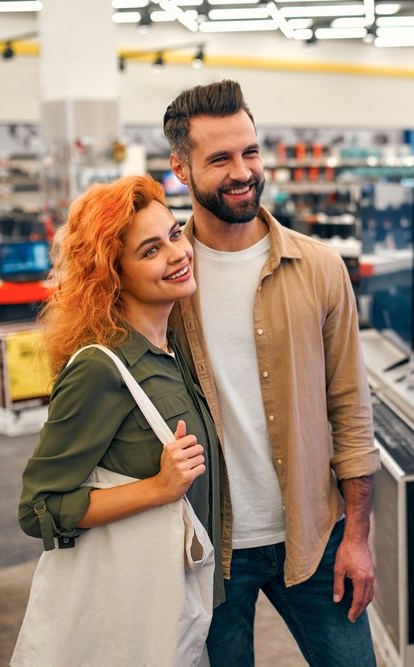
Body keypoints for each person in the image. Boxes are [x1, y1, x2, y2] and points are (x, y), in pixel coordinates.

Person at [162, 79, 380, 666]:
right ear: (181, 169)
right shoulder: (162, 280)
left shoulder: (319, 268)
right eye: (220, 159)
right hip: (208, 547)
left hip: (314, 538)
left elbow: (351, 413)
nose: (242, 171)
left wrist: (357, 537)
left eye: (250, 152)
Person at [18, 174, 230, 611]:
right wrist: (158, 487)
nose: (178, 254)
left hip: (188, 594)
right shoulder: (100, 368)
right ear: (113, 276)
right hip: (141, 603)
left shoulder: (171, 348)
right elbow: (37, 508)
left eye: (174, 235)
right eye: (151, 250)